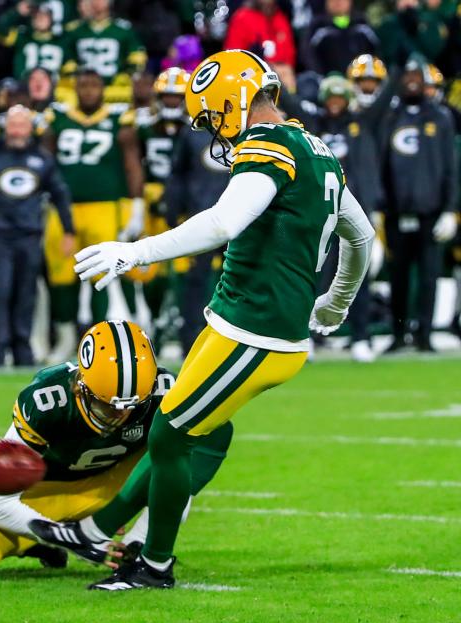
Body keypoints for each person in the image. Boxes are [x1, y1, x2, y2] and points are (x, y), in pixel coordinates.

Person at [72, 50, 375, 588]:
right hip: (242, 321)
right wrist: (337, 301)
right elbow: (362, 236)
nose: (214, 128)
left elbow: (223, 223)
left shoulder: (269, 146)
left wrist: (134, 251)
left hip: (257, 331)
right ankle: (101, 530)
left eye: (212, 115)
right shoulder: (315, 148)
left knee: (169, 435)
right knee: (181, 427)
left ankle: (153, 563)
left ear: (231, 100)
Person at [0, 321, 232, 578]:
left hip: (121, 489)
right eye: (107, 404)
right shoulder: (47, 402)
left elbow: (184, 471)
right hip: (47, 493)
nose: (120, 416)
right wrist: (69, 539)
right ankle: (40, 544)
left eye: (132, 406)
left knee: (190, 445)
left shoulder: (162, 391)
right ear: (81, 385)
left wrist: (137, 542)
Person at [280, 74, 389, 362]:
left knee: (357, 277)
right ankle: (309, 336)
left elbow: (384, 100)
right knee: (316, 274)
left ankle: (361, 337)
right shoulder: (314, 125)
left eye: (341, 99)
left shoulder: (361, 124)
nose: (336, 105)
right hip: (321, 212)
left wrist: (374, 212)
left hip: (356, 211)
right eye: (331, 99)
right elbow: (291, 105)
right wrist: (275, 75)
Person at [43, 67, 145, 359]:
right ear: (74, 88)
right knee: (62, 275)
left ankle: (101, 339)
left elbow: (132, 163)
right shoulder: (57, 118)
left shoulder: (119, 118)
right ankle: (65, 337)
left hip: (104, 205)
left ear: (103, 88)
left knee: (101, 273)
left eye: (94, 85)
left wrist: (135, 206)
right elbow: (45, 162)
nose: (88, 90)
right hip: (63, 208)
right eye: (83, 85)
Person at [0, 105, 73, 367]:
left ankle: (22, 349)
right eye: (13, 124)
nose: (16, 129)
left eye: (22, 124)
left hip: (29, 235)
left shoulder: (42, 158)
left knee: (26, 294)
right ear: (5, 126)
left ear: (30, 127)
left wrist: (68, 229)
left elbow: (59, 192)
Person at [378, 58, 458, 353]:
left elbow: (450, 167)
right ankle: (398, 334)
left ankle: (424, 335)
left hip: (430, 211)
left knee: (428, 276)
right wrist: (379, 205)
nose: (412, 80)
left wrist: (450, 209)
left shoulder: (440, 118)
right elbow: (381, 164)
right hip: (396, 212)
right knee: (398, 276)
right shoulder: (389, 116)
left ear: (426, 81)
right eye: (407, 74)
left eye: (417, 75)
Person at [133, 67, 193, 353]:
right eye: (166, 97)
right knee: (150, 266)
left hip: (187, 199)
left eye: (176, 97)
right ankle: (155, 318)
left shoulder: (198, 127)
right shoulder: (143, 124)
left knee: (186, 265)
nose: (171, 102)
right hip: (152, 196)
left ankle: (183, 320)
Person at [163, 123, 230, 355]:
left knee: (242, 280)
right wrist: (173, 211)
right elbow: (178, 174)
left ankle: (238, 338)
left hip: (239, 219)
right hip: (202, 218)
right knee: (195, 283)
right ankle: (190, 341)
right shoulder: (192, 133)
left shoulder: (246, 130)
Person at [63, 0, 146, 85]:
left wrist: (127, 74)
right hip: (84, 87)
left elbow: (137, 56)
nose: (97, 2)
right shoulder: (75, 31)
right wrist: (72, 73)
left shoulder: (123, 30)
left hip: (115, 88)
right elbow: (67, 57)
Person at [0, 1, 70, 79]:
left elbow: (70, 69)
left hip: (54, 88)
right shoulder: (23, 37)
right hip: (24, 87)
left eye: (44, 15)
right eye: (36, 15)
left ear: (52, 17)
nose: (40, 18)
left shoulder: (63, 40)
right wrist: (16, 12)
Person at [303, 0, 378, 76]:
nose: (338, 2)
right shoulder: (317, 26)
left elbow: (376, 52)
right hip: (328, 82)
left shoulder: (362, 23)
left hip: (361, 80)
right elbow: (308, 55)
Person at [223, 0, 296, 72]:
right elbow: (233, 58)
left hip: (280, 74)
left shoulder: (281, 18)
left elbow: (289, 57)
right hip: (250, 72)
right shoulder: (242, 18)